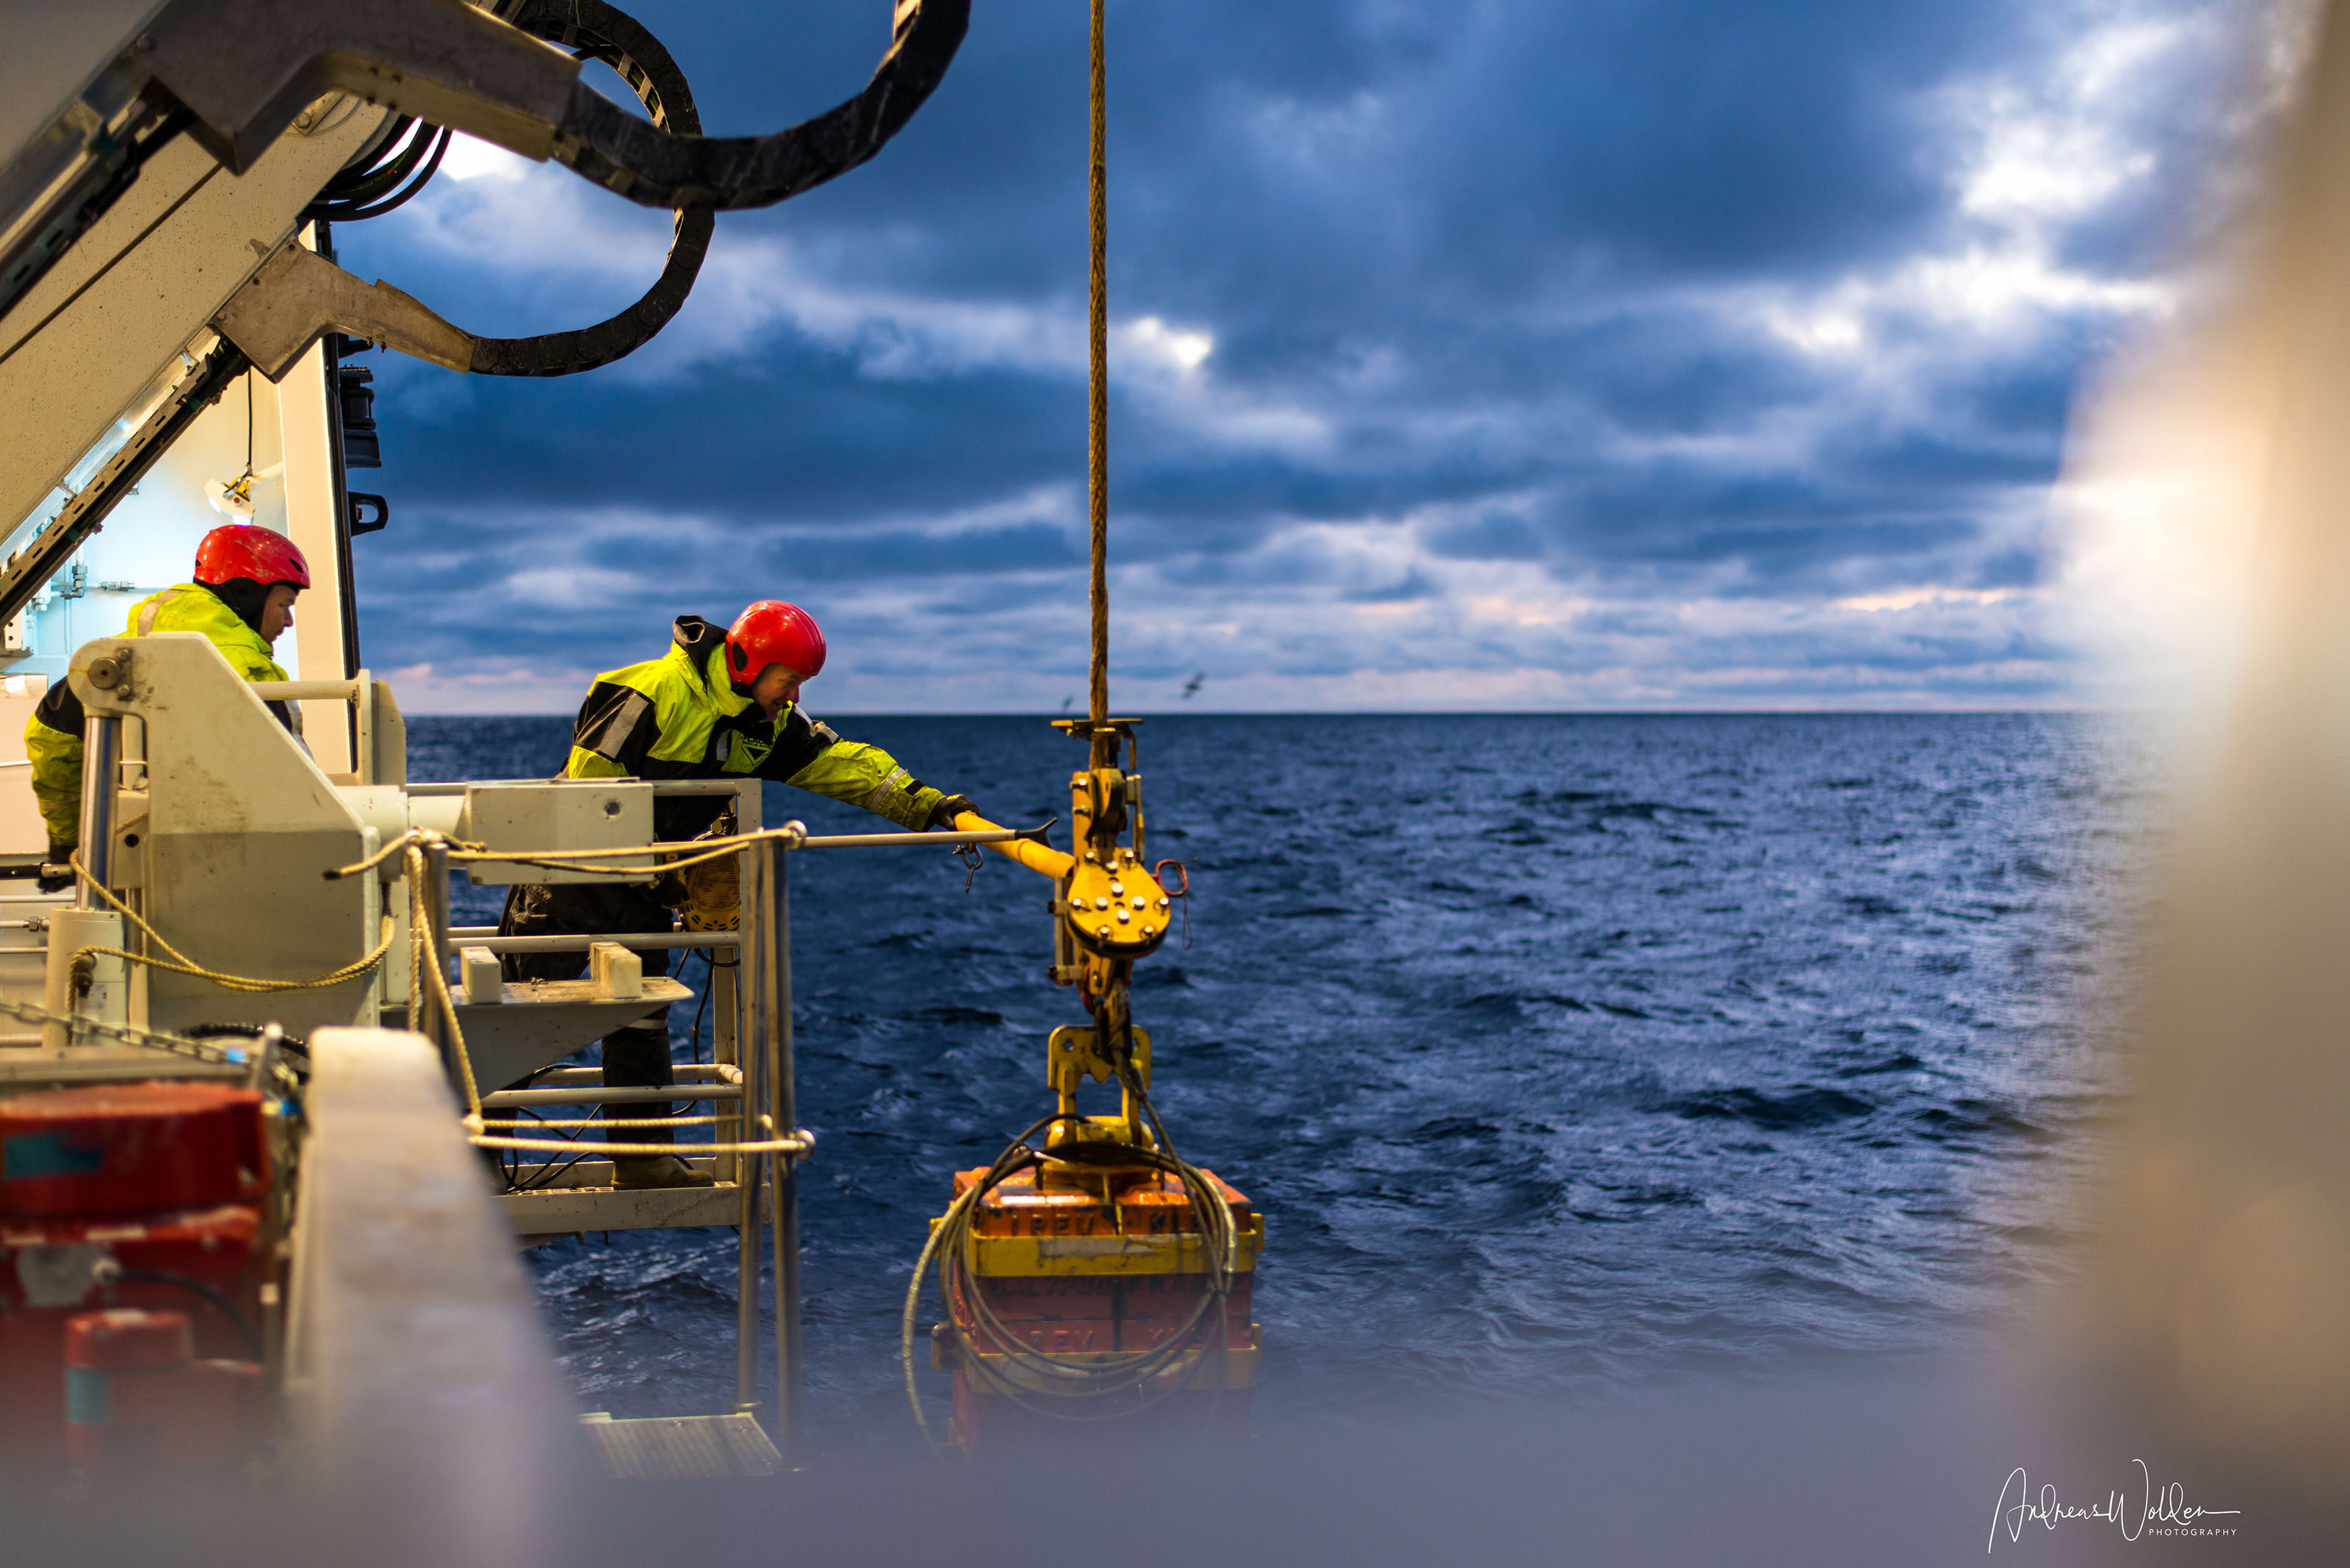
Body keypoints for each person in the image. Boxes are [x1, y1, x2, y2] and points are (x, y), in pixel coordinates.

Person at [500, 600, 978, 1191]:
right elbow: (588, 793)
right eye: (790, 680)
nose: (794, 697)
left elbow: (839, 763)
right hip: (565, 878)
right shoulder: (646, 692)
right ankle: (468, 1156)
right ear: (748, 663)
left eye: (801, 684)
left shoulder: (766, 724)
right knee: (515, 1020)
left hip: (647, 889)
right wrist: (656, 861)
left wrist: (928, 805)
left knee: (641, 1020)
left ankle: (642, 1158)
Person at [25, 524, 309, 886]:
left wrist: (68, 840)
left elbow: (50, 739)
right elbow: (295, 785)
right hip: (240, 870)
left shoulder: (111, 663)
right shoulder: (254, 674)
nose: (289, 620)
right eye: (284, 605)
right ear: (246, 594)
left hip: (133, 862)